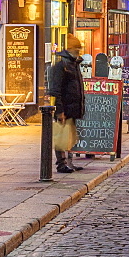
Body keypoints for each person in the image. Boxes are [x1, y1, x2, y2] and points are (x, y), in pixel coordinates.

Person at [46, 35, 86, 173]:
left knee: (69, 137)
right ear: (69, 48)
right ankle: (61, 164)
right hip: (65, 107)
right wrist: (59, 110)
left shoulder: (74, 64)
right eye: (76, 48)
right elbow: (56, 90)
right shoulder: (61, 65)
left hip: (73, 106)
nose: (78, 51)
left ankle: (69, 161)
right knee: (61, 137)